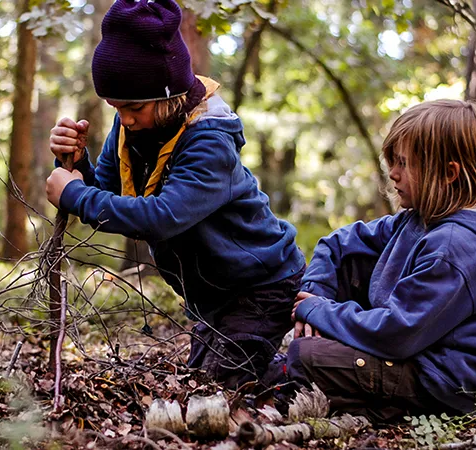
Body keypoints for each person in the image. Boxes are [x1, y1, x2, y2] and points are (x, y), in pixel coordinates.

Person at [45, 0, 306, 388]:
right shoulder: (129, 127)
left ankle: (311, 373)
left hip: (262, 285)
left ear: (168, 93)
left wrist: (75, 195)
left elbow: (162, 217)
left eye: (133, 107)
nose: (125, 118)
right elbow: (107, 195)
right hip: (211, 297)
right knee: (202, 380)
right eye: (115, 107)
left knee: (225, 387)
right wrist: (78, 166)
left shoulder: (210, 139)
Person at [272, 100, 476, 422]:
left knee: (305, 356)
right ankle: (330, 379)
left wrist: (320, 312)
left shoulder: (455, 248)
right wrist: (315, 297)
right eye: (393, 161)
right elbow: (337, 244)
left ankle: (373, 411)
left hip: (440, 383)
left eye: (404, 164)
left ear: (449, 173)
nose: (393, 174)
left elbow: (397, 333)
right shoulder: (420, 219)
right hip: (410, 347)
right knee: (350, 262)